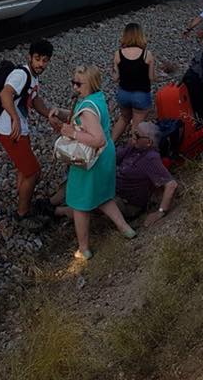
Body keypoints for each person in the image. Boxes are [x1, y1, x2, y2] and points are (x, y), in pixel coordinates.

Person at [47, 65, 136, 260]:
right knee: (103, 196)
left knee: (80, 205)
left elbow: (98, 139)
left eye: (79, 84)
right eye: (73, 82)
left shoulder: (87, 109)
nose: (75, 87)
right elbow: (85, 119)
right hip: (105, 156)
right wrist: (62, 113)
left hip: (90, 159)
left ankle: (84, 249)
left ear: (92, 84)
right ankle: (126, 229)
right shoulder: (96, 99)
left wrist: (72, 133)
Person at [0, 39, 55, 232]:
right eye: (37, 59)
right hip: (10, 131)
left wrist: (49, 116)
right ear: (29, 57)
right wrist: (15, 119)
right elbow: (5, 95)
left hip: (19, 130)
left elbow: (34, 100)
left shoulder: (32, 77)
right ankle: (22, 214)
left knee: (24, 169)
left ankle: (23, 203)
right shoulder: (21, 74)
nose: (41, 64)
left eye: (45, 61)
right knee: (32, 172)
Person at [115, 122, 178, 228]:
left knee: (93, 198)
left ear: (148, 142)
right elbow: (114, 159)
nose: (133, 136)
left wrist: (160, 212)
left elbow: (171, 185)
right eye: (134, 132)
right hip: (114, 189)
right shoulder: (134, 146)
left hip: (127, 203)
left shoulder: (151, 158)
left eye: (137, 135)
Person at [110, 23, 156, 141]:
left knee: (124, 118)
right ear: (141, 36)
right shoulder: (147, 55)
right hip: (141, 95)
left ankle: (108, 145)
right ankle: (132, 151)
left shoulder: (118, 54)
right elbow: (151, 78)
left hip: (123, 94)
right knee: (137, 127)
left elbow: (115, 78)